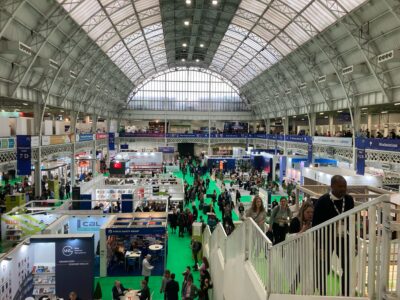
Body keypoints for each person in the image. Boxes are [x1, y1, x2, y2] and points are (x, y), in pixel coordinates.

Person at [312, 175, 354, 297]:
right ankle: (322, 293)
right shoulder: (322, 201)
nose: (343, 189)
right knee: (323, 268)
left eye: (345, 186)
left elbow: (352, 221)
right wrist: (319, 245)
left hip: (343, 238)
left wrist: (354, 240)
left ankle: (344, 292)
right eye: (340, 186)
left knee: (347, 266)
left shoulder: (349, 200)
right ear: (332, 186)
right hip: (325, 240)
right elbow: (315, 224)